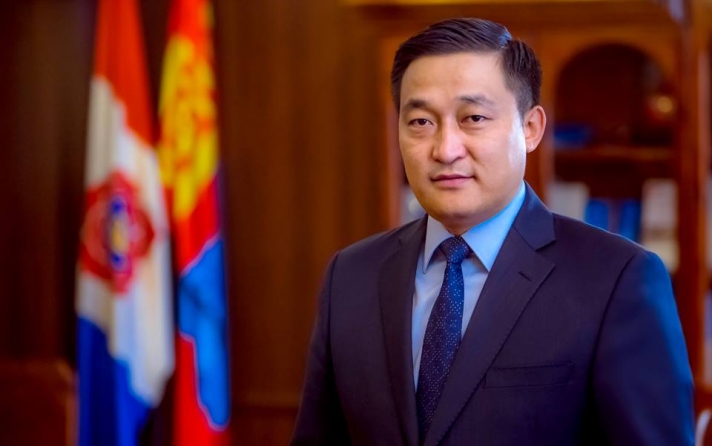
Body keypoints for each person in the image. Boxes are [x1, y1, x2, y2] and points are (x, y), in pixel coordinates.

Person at [291, 17, 694, 446]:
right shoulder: (351, 275)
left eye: (474, 118)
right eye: (421, 122)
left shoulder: (616, 279)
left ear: (531, 128)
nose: (445, 149)